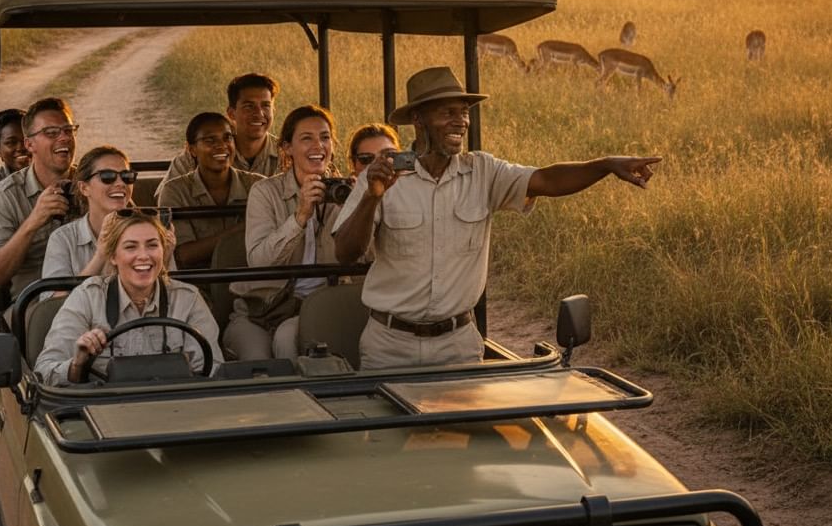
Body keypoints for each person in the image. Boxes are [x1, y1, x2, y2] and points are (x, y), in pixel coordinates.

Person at [333, 66, 661, 369]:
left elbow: (546, 180)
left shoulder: (483, 171)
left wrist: (605, 165)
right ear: (418, 119)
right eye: (448, 112)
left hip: (457, 344)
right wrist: (371, 198)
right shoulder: (384, 173)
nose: (460, 121)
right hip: (391, 344)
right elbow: (346, 253)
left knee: (466, 433)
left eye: (464, 112)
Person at [34, 209, 223, 385]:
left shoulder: (188, 299)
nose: (143, 256)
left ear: (163, 251)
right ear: (113, 257)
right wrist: (78, 364)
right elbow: (44, 372)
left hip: (174, 408)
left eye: (152, 245)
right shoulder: (87, 297)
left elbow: (213, 370)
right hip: (104, 410)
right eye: (130, 247)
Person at [224, 104, 350, 362]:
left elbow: (360, 257)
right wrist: (300, 216)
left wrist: (361, 204)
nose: (318, 146)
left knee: (287, 338)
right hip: (260, 310)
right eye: (307, 138)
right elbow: (260, 262)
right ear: (287, 148)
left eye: (325, 137)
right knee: (258, 361)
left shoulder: (345, 191)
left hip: (319, 307)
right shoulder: (265, 192)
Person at [0, 97, 79, 298]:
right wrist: (33, 221)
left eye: (68, 130)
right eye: (51, 133)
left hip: (93, 295)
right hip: (35, 302)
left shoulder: (93, 183)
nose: (64, 138)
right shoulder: (6, 196)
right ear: (29, 144)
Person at [157, 112, 263, 269]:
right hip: (198, 286)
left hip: (251, 282)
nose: (221, 145)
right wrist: (243, 229)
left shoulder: (258, 185)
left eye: (227, 137)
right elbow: (182, 255)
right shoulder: (175, 191)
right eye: (209, 140)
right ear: (191, 149)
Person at [157, 73, 280, 194]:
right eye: (249, 106)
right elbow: (164, 200)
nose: (259, 114)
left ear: (273, 110)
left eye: (266, 106)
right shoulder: (198, 155)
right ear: (231, 113)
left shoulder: (288, 155)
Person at [42, 146, 138, 286]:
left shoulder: (150, 232)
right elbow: (54, 302)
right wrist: (101, 255)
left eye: (126, 176)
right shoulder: (63, 239)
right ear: (84, 188)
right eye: (107, 176)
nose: (120, 183)